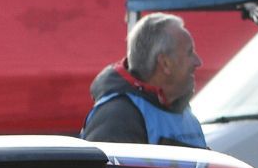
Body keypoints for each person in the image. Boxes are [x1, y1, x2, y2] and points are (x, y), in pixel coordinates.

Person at [82, 14, 207, 147]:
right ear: (165, 63)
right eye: (190, 52)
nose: (198, 62)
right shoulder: (118, 117)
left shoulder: (181, 109)